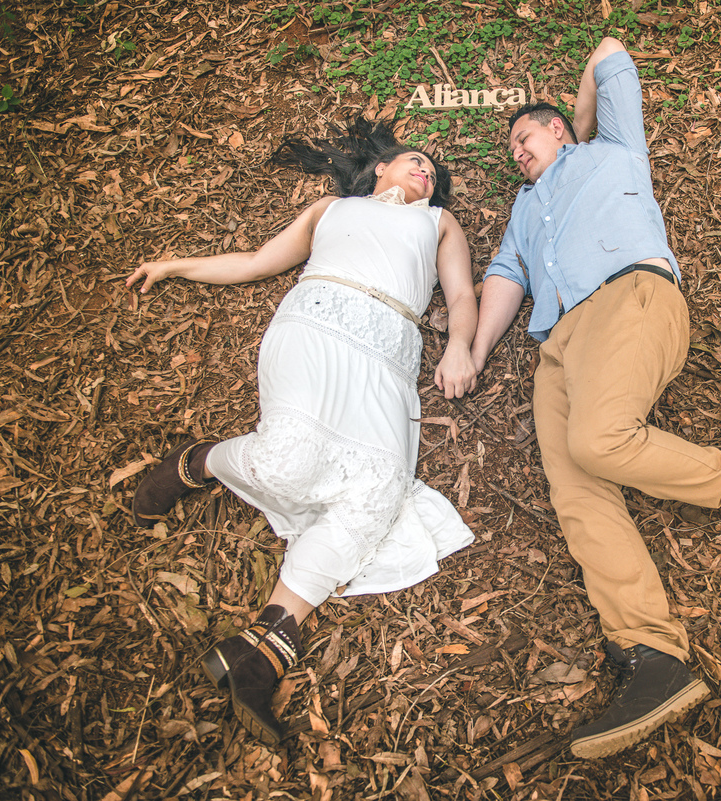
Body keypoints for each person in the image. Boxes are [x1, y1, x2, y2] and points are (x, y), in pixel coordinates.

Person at [468, 38, 721, 759]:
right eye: (511, 148)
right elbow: (505, 277)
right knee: (578, 492)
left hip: (632, 296)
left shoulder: (614, 150)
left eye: (524, 137)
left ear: (557, 127)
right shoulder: (523, 210)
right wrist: (469, 352)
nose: (517, 153)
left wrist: (582, 115)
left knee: (600, 440)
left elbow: (610, 50)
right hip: (556, 351)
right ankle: (652, 655)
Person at [125, 118, 479, 744]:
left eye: (433, 175)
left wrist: (459, 348)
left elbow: (460, 293)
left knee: (379, 490)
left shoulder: (438, 223)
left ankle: (259, 655)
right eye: (416, 162)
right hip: (315, 326)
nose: (426, 173)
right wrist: (174, 265)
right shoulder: (332, 208)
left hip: (387, 356)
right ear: (381, 169)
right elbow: (259, 262)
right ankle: (196, 461)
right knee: (286, 462)